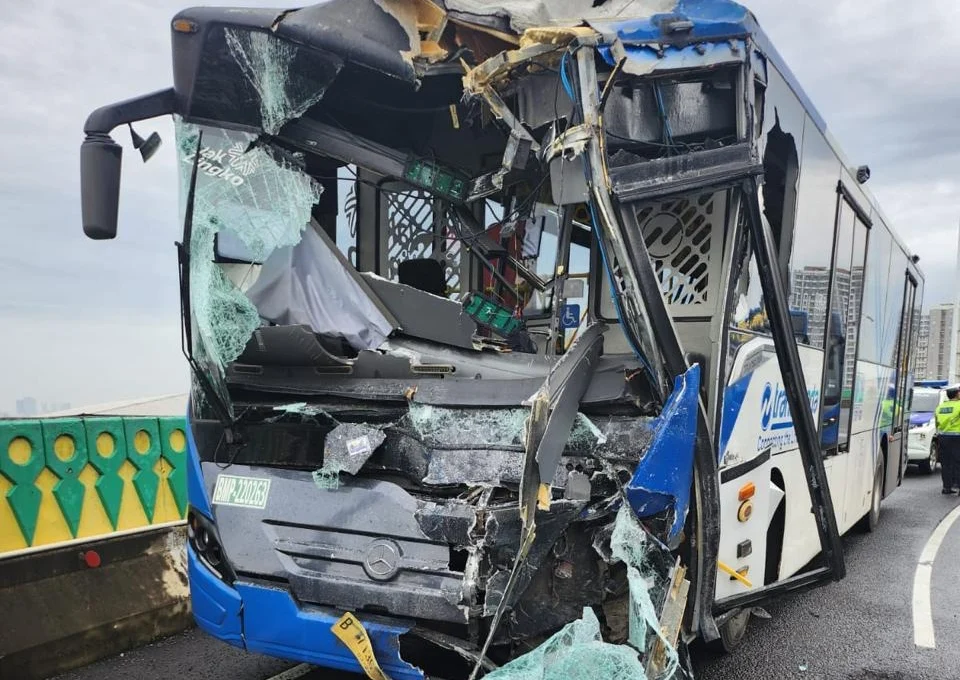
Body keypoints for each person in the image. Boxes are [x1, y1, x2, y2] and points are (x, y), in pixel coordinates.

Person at [934, 385, 960, 494]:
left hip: (943, 437)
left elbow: (936, 423)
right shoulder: (959, 405)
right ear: (956, 394)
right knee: (958, 462)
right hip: (957, 437)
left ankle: (946, 488)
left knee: (946, 463)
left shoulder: (940, 407)